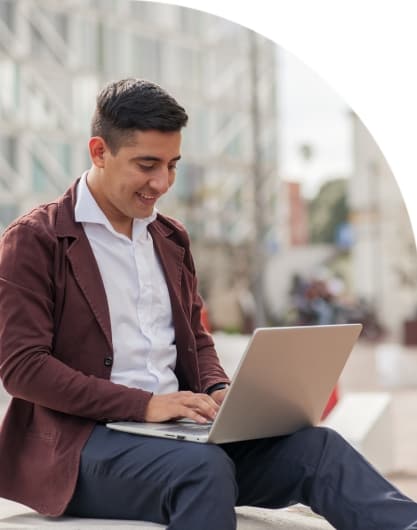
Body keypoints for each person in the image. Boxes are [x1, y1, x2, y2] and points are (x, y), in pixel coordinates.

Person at [0, 78, 416, 530]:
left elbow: (196, 341)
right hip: (81, 448)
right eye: (147, 164)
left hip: (177, 437)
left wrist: (219, 391)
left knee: (320, 449)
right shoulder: (36, 240)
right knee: (203, 471)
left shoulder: (170, 238)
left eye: (173, 165)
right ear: (99, 152)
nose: (162, 183)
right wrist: (143, 405)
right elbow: (23, 368)